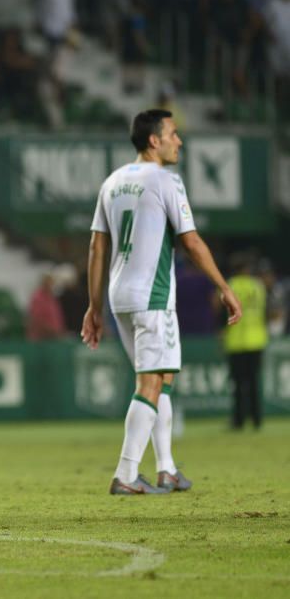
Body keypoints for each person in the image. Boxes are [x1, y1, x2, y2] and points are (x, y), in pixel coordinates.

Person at [82, 109, 242, 495]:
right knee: (150, 382)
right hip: (152, 295)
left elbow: (96, 246)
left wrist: (95, 305)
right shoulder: (166, 180)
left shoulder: (113, 182)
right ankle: (125, 473)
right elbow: (191, 241)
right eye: (173, 134)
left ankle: (166, 468)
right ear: (154, 140)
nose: (179, 141)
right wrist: (224, 285)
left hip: (120, 297)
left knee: (162, 377)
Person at [224, 253, 268, 430]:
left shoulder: (230, 286)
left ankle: (238, 421)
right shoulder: (258, 286)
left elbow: (221, 310)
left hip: (236, 341)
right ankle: (257, 420)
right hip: (257, 340)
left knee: (238, 384)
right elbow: (264, 310)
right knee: (254, 382)